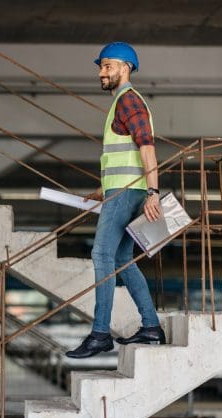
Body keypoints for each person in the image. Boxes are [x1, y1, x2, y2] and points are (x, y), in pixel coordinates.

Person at [66, 42, 166, 359]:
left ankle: (99, 335)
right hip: (122, 190)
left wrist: (154, 192)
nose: (101, 72)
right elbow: (122, 155)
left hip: (128, 193)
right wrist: (102, 190)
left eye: (107, 66)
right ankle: (151, 326)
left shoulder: (128, 101)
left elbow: (147, 147)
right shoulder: (122, 103)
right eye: (101, 66)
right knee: (122, 259)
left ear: (125, 67)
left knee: (102, 255)